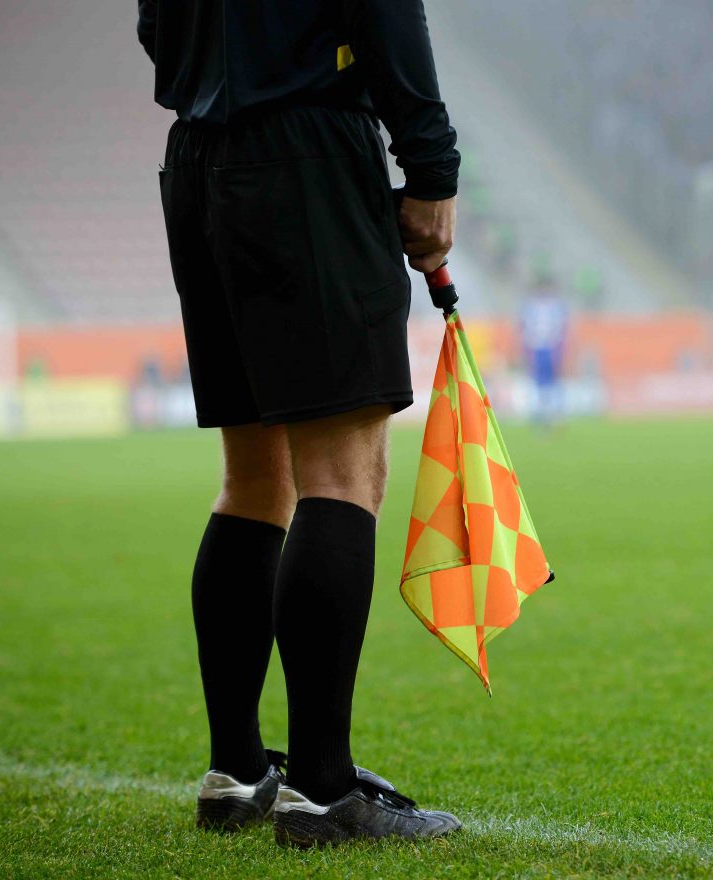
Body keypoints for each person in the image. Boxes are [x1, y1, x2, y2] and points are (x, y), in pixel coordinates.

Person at [137, 0, 462, 846]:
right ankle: (321, 791)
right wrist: (431, 169)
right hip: (307, 155)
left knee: (254, 480)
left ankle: (236, 772)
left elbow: (153, 24)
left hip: (199, 162)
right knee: (343, 475)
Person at [518, 273, 570, 429]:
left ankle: (555, 414)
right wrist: (526, 350)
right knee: (538, 382)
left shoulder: (557, 306)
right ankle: (541, 415)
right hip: (536, 348)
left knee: (553, 381)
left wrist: (560, 349)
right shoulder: (530, 307)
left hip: (551, 347)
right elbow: (524, 329)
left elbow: (562, 329)